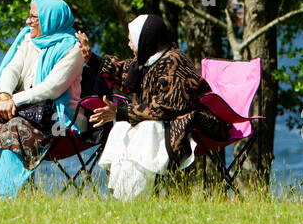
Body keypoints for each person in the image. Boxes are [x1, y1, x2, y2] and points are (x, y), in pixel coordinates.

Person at [77, 14, 228, 200]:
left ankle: (139, 196)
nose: (129, 44)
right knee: (121, 129)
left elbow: (168, 106)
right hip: (161, 122)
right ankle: (124, 196)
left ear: (145, 39)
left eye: (131, 40)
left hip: (186, 122)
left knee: (145, 128)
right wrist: (91, 58)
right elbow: (122, 71)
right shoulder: (146, 61)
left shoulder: (175, 61)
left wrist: (122, 112)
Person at [0, 0, 84, 198]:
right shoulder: (28, 38)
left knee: (13, 130)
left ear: (50, 18)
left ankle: (8, 196)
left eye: (34, 16)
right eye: (29, 16)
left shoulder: (73, 48)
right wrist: (3, 97)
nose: (28, 21)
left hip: (54, 118)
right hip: (20, 110)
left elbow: (52, 88)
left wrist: (13, 102)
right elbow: (12, 70)